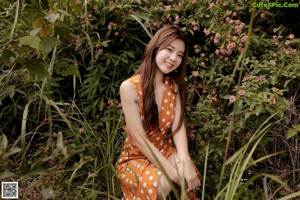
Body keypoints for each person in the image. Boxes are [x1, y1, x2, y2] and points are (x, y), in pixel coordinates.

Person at [116, 25, 201, 200]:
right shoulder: (129, 87)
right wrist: (171, 171)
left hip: (165, 151)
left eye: (179, 55)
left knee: (188, 174)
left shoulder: (174, 87)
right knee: (163, 184)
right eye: (169, 50)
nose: (173, 58)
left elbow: (178, 127)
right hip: (135, 158)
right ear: (155, 48)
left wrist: (184, 160)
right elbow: (139, 139)